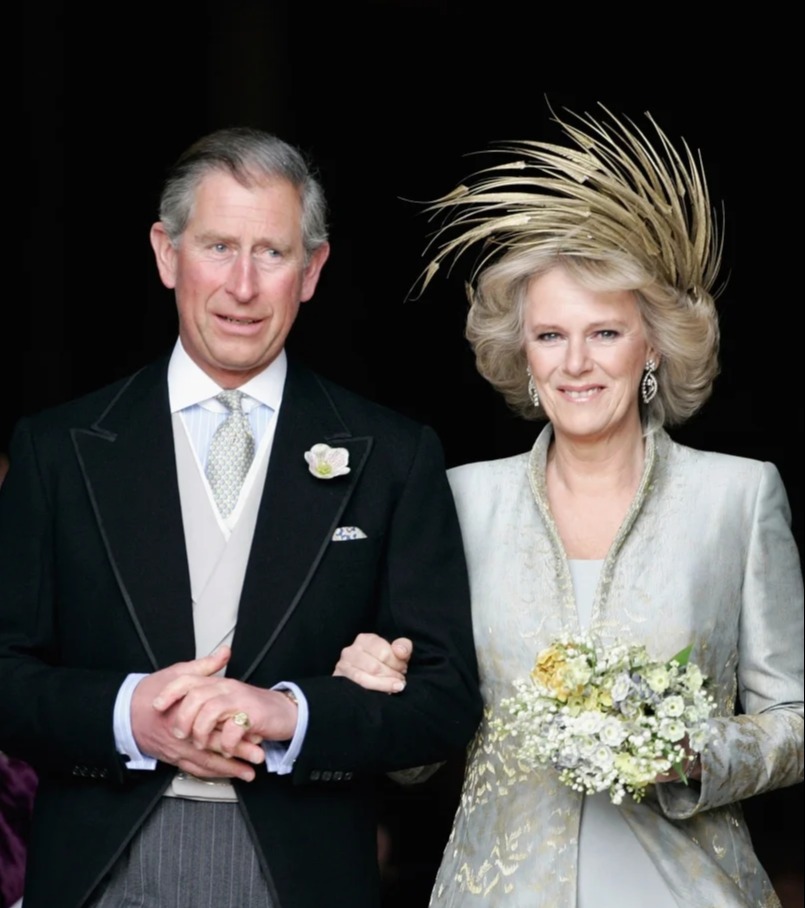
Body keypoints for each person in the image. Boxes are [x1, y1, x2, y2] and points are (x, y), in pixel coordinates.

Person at [332, 104, 804, 907]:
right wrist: (376, 690)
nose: (576, 364)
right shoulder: (460, 501)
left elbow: (792, 722)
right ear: (521, 353)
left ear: (651, 345)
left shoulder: (736, 494)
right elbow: (417, 752)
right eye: (549, 336)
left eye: (605, 334)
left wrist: (692, 753)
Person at [0, 126, 482, 908]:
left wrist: (292, 712)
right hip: (96, 868)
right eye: (218, 246)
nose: (244, 286)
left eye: (273, 252)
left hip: (303, 870)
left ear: (313, 270)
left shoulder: (394, 456)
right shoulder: (57, 449)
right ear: (166, 254)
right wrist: (128, 715)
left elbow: (444, 701)